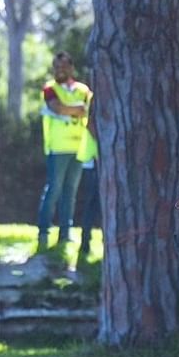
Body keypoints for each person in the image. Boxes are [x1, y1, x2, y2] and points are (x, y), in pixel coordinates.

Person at [36, 51, 92, 253]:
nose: (60, 70)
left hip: (78, 148)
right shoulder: (50, 88)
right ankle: (43, 232)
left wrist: (75, 108)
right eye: (56, 67)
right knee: (54, 189)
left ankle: (65, 234)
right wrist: (76, 108)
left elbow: (89, 109)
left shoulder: (83, 89)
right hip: (57, 149)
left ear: (71, 67)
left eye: (63, 66)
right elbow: (57, 108)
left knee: (71, 192)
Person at [75, 99, 100, 259]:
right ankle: (85, 244)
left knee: (93, 204)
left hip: (96, 160)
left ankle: (86, 244)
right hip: (96, 160)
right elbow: (90, 124)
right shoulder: (99, 98)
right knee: (92, 204)